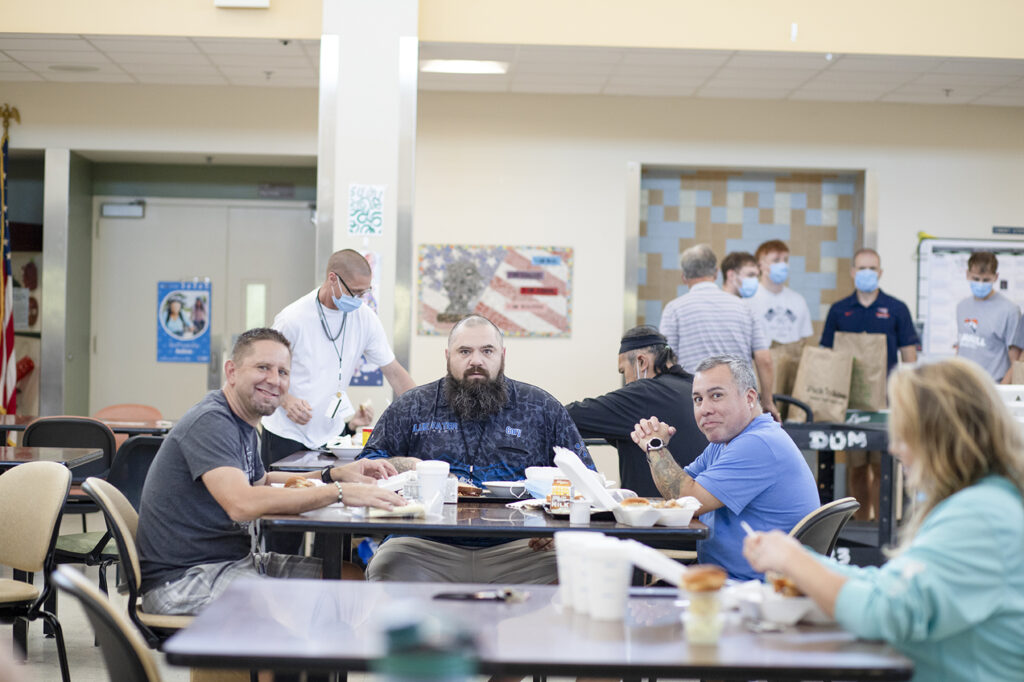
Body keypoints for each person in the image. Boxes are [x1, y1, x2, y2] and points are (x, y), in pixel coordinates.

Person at [743, 358, 1024, 682]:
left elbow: (886, 612)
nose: (893, 447)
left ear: (939, 434)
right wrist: (798, 558)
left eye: (904, 432)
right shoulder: (982, 503)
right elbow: (889, 584)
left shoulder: (981, 516)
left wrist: (794, 559)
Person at [137, 328, 404, 615]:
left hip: (236, 563)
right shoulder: (211, 421)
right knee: (282, 608)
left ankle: (327, 643)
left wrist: (334, 475)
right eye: (263, 367)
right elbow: (241, 503)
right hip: (185, 580)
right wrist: (339, 493)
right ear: (231, 371)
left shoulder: (244, 423)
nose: (275, 380)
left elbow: (262, 482)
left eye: (283, 372)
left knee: (348, 578)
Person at [358, 314, 593, 583]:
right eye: (465, 351)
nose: (476, 361)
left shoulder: (540, 408)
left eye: (487, 351)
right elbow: (366, 467)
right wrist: (409, 466)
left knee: (576, 573)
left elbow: (585, 479)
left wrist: (558, 525)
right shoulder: (413, 406)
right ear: (448, 356)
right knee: (386, 570)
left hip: (522, 548)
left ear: (503, 355)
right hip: (422, 545)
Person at [630, 354, 819, 581]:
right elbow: (678, 490)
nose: (704, 409)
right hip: (723, 577)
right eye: (698, 399)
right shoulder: (727, 441)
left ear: (749, 398)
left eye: (716, 396)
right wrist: (657, 448)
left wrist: (654, 446)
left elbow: (685, 496)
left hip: (750, 589)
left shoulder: (758, 444)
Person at [261, 249, 416, 467]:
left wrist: (422, 413)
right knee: (287, 488)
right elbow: (263, 368)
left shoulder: (365, 318)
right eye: (354, 292)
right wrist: (286, 400)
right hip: (286, 434)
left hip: (331, 437)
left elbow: (394, 372)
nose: (359, 300)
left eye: (364, 292)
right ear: (332, 278)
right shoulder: (293, 319)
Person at [820, 248, 919, 521]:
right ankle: (861, 523)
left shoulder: (896, 309)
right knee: (857, 468)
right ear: (853, 272)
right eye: (862, 268)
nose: (867, 273)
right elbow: (826, 357)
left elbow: (909, 357)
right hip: (850, 403)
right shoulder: (839, 310)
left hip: (886, 404)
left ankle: (878, 526)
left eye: (872, 268)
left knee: (882, 467)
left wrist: (908, 398)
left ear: (880, 272)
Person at [565, 326, 706, 496]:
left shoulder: (644, 393)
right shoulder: (694, 388)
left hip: (655, 508)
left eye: (624, 371)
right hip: (701, 503)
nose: (626, 382)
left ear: (641, 362)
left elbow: (570, 416)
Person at [659, 244, 779, 421]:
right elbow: (765, 360)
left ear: (684, 277)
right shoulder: (744, 308)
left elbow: (667, 361)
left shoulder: (674, 309)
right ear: (716, 273)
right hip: (738, 402)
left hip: (695, 406)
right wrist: (767, 401)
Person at [955, 251, 1020, 383]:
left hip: (993, 385)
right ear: (967, 274)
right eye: (975, 279)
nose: (980, 284)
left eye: (986, 280)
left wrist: (1002, 390)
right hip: (964, 384)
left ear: (995, 277)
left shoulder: (1010, 310)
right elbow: (962, 348)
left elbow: (1016, 362)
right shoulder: (962, 306)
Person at [748, 239, 813, 345]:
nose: (783, 265)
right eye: (776, 260)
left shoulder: (798, 300)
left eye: (785, 260)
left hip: (792, 355)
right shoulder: (748, 300)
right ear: (760, 265)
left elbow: (804, 340)